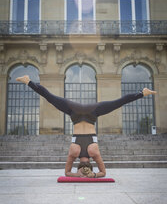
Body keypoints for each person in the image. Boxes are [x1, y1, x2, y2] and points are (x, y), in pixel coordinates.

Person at [16, 75, 157, 178]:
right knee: (51, 98)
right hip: (76, 113)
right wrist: (78, 175)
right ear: (79, 164)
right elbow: (66, 173)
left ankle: (142, 93)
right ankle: (28, 81)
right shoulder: (74, 153)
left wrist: (93, 175)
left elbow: (103, 173)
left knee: (118, 102)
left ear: (90, 163)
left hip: (91, 112)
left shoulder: (94, 153)